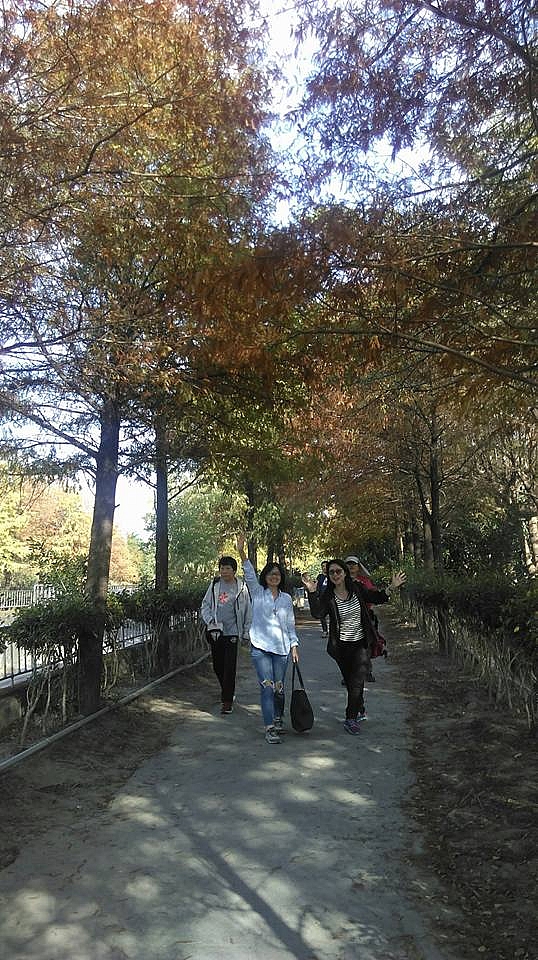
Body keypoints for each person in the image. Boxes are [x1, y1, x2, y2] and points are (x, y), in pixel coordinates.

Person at [302, 560, 406, 735]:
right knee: (351, 682)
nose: (335, 575)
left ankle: (350, 718)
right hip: (341, 647)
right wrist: (312, 592)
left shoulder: (357, 589)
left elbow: (376, 597)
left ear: (344, 573)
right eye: (332, 572)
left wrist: (392, 587)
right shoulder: (329, 596)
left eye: (339, 571)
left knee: (357, 681)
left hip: (361, 644)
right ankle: (360, 707)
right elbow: (317, 613)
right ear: (329, 575)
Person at [237, 535, 300, 744]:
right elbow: (248, 573)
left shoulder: (286, 599)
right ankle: (269, 727)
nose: (274, 577)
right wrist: (242, 551)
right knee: (267, 686)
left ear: (281, 577)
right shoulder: (257, 592)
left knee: (279, 688)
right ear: (265, 577)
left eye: (278, 574)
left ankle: (278, 717)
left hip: (282, 649)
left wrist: (294, 646)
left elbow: (290, 624)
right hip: (260, 648)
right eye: (271, 574)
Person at [201, 555, 252, 714]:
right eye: (222, 568)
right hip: (217, 631)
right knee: (218, 666)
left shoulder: (241, 587)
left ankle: (227, 701)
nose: (224, 571)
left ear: (234, 570)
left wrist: (245, 632)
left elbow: (248, 610)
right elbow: (205, 605)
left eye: (228, 568)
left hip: (233, 632)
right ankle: (227, 691)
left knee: (230, 667)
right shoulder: (215, 584)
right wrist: (209, 620)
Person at [345, 556, 386, 679]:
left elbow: (373, 596)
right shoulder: (341, 581)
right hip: (347, 618)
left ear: (358, 567)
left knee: (366, 645)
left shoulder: (364, 581)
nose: (351, 567)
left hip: (366, 617)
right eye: (348, 564)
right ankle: (348, 673)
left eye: (354, 564)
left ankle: (367, 671)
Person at [316, 561, 329, 636]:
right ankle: (325, 630)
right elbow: (317, 587)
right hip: (322, 598)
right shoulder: (320, 577)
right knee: (322, 615)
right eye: (323, 566)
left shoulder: (332, 575)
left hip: (331, 598)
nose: (324, 568)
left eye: (326, 566)